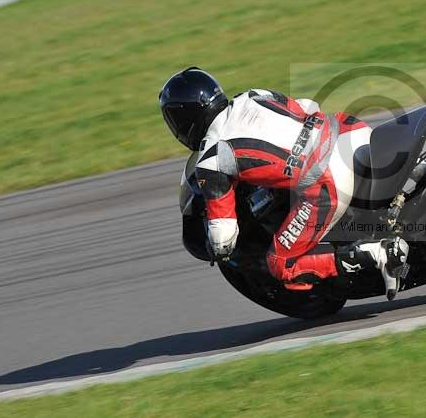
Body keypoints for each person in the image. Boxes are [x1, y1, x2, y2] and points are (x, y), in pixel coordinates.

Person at [159, 67, 409, 299]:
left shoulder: (211, 159)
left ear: (185, 118)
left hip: (326, 181)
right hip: (348, 132)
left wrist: (216, 248)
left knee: (281, 264)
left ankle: (378, 255)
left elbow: (224, 234)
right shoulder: (252, 95)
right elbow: (307, 106)